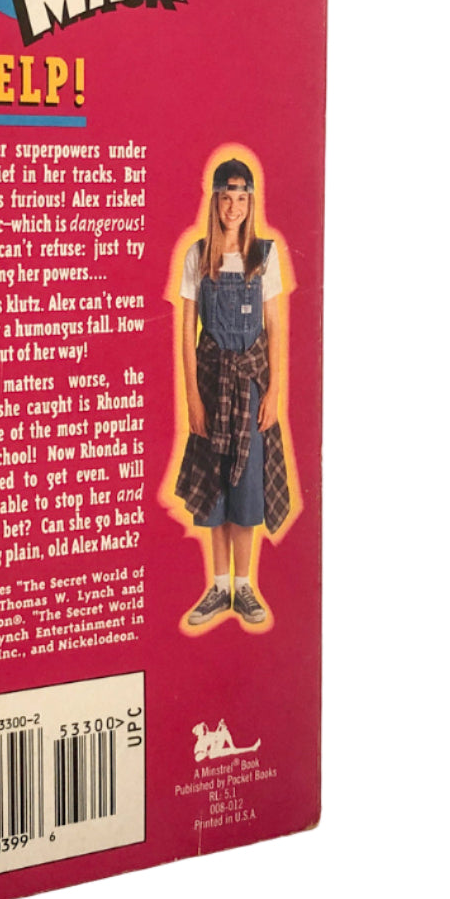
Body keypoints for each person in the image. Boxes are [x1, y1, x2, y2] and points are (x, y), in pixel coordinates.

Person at [175, 157, 291, 629]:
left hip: (249, 386)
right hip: (210, 384)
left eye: (242, 198)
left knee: (245, 491)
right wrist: (192, 398)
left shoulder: (265, 254)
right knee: (215, 486)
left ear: (251, 202)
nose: (234, 207)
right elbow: (186, 330)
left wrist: (274, 390)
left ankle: (243, 585)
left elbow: (275, 325)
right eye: (227, 197)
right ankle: (219, 585)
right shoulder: (198, 255)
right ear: (216, 200)